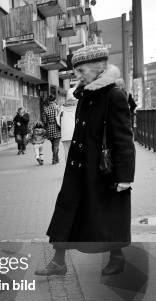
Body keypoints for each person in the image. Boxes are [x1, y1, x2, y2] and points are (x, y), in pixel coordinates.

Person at [37, 44, 135, 277]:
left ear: (98, 68)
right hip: (79, 167)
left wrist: (125, 176)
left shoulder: (114, 95)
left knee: (108, 216)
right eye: (76, 72)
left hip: (103, 170)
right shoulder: (86, 95)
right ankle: (58, 261)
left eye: (82, 71)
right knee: (66, 210)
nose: (77, 77)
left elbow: (124, 138)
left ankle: (117, 257)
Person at [58, 88, 78, 163]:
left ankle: (68, 169)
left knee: (67, 151)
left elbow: (58, 121)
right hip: (75, 132)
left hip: (65, 133)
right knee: (76, 152)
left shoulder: (61, 108)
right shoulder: (77, 107)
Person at [42, 94, 62, 164]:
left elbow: (44, 121)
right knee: (56, 145)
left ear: (48, 101)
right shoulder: (58, 108)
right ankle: (54, 159)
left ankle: (56, 159)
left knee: (53, 145)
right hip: (57, 128)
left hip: (49, 128)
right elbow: (61, 118)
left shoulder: (45, 109)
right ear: (55, 100)